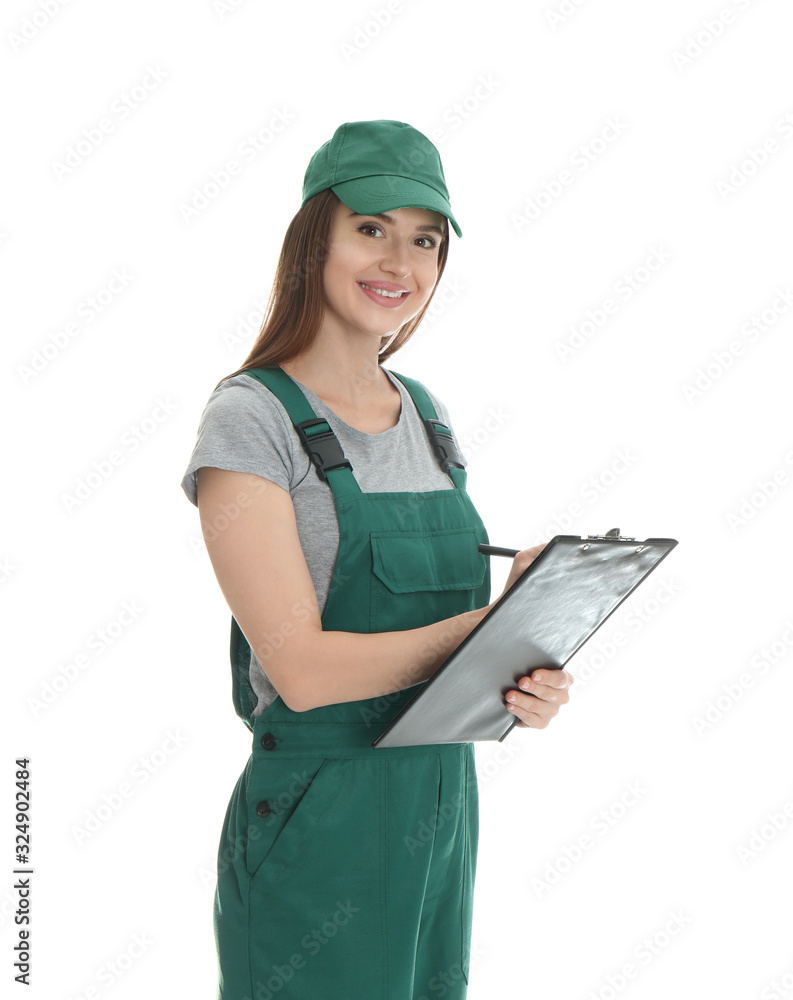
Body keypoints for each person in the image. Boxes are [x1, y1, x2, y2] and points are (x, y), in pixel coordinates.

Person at [180, 119, 573, 1000]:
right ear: (315, 237)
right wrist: (484, 630)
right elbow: (302, 669)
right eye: (371, 229)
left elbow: (446, 669)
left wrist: (520, 661)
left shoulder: (427, 416)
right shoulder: (250, 418)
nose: (400, 261)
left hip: (439, 814)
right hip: (318, 824)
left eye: (424, 240)